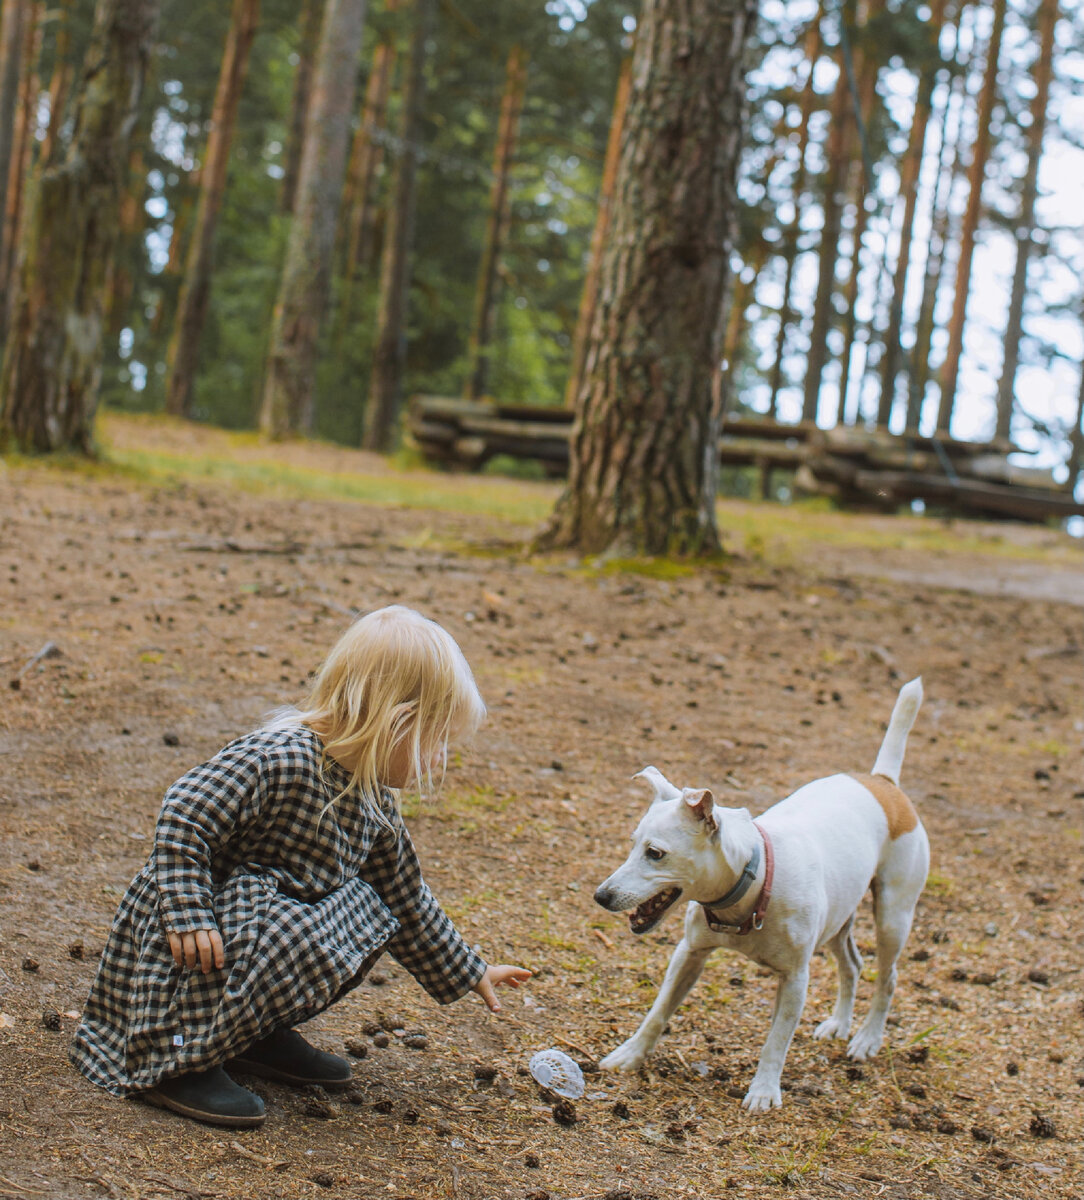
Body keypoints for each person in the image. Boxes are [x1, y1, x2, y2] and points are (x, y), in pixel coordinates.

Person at [70, 605, 530, 1128]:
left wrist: (469, 968)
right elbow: (184, 813)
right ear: (394, 719)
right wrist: (188, 913)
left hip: (248, 938)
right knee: (304, 927)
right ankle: (177, 1060)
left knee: (367, 908)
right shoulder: (280, 757)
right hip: (188, 950)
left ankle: (247, 1033)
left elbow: (404, 896)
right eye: (435, 738)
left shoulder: (372, 798)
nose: (439, 758)